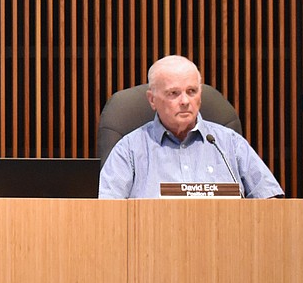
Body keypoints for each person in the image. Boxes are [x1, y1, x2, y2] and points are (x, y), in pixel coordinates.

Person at [98, 55, 284, 199]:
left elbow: (270, 202)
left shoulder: (229, 144)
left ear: (200, 95)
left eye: (191, 91)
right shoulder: (128, 150)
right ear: (152, 100)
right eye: (174, 93)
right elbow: (109, 214)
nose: (185, 101)